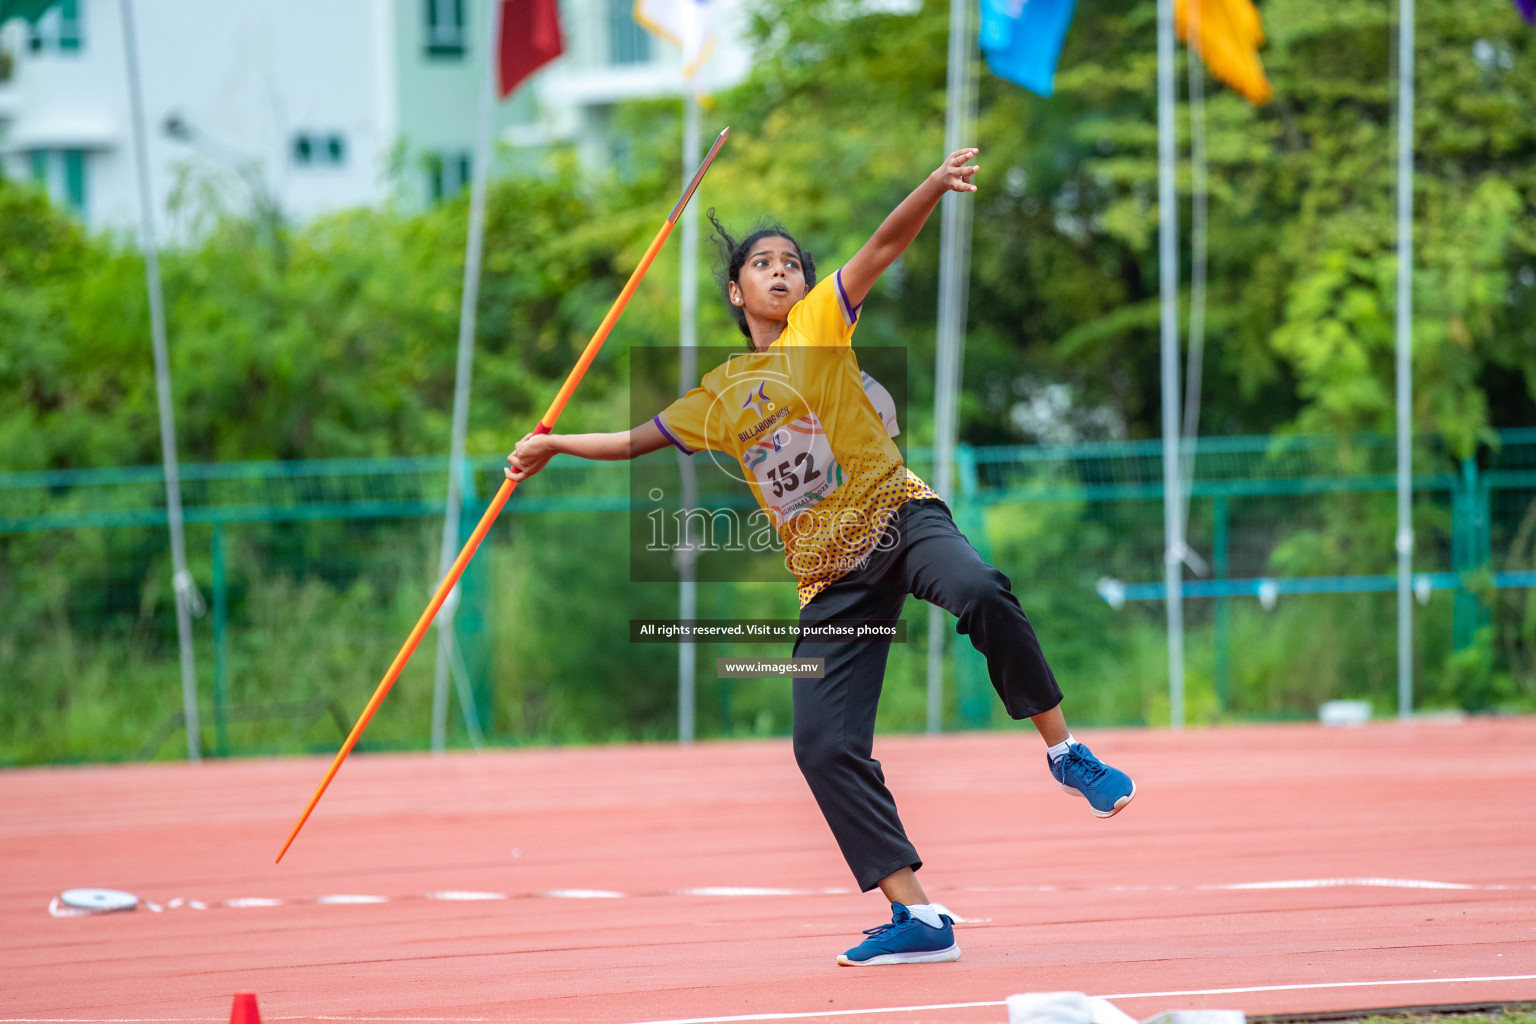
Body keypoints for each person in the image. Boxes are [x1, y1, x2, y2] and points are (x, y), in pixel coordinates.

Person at [506, 147, 1135, 967]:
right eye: (762, 264)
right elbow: (633, 441)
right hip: (829, 576)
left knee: (980, 587)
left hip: (896, 517)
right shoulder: (719, 394)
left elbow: (881, 246)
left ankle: (1064, 751)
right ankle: (918, 917)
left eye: (791, 263)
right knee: (823, 747)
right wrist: (552, 444)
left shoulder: (819, 324)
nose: (780, 272)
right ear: (736, 292)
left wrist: (933, 186)